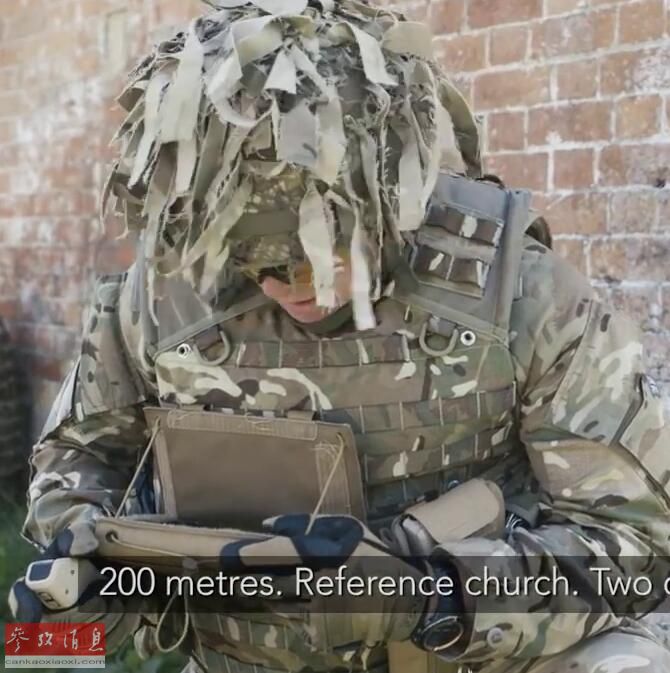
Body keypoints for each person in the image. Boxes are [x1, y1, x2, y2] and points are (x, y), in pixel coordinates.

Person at [10, 0, 670, 671]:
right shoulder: (161, 296)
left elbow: (636, 545)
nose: (294, 285)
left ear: (391, 202)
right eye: (257, 263)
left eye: (327, 253)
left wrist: (432, 598)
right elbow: (79, 463)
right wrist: (89, 576)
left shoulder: (521, 295)